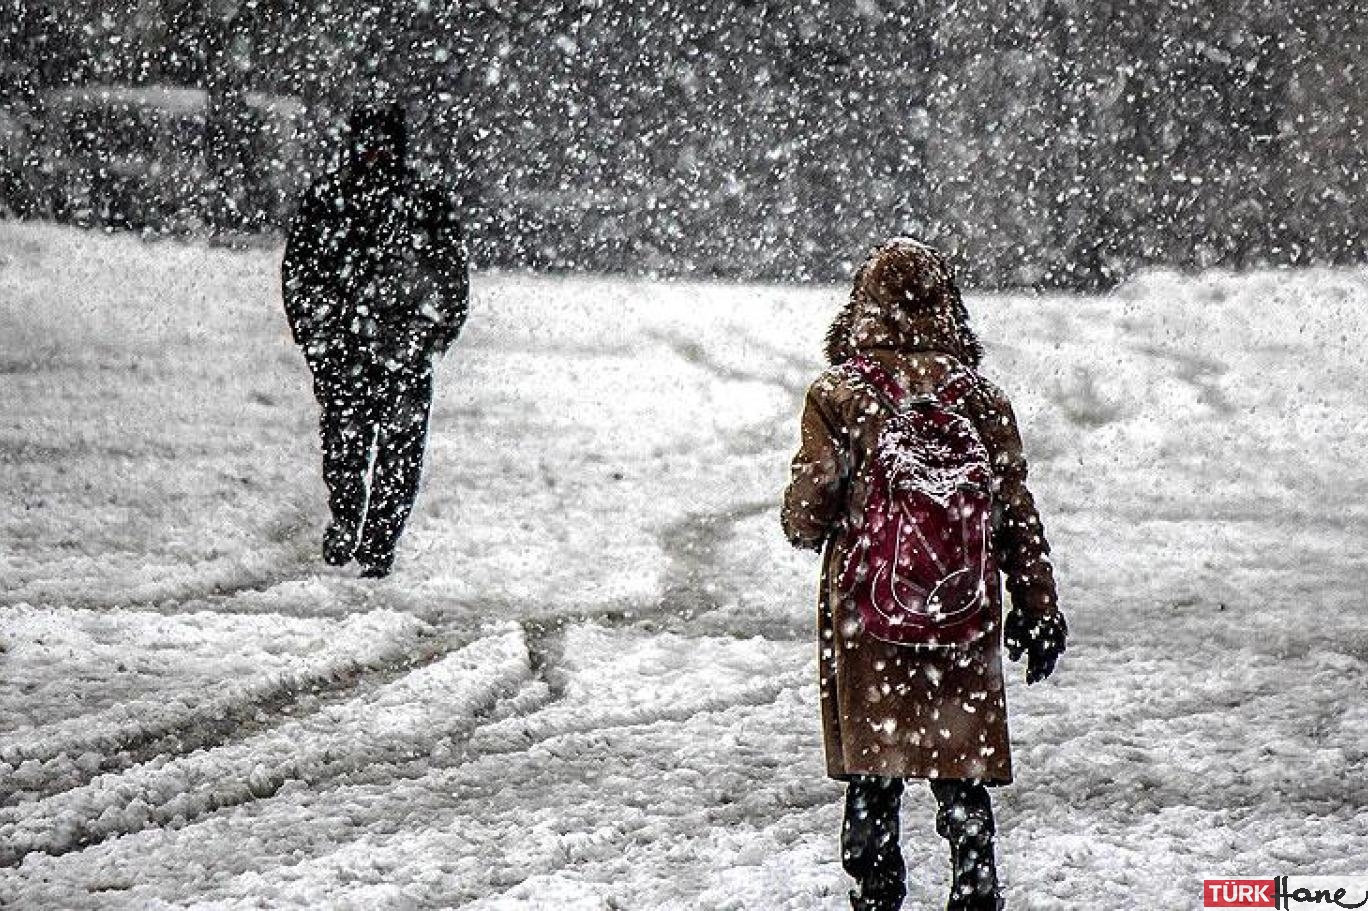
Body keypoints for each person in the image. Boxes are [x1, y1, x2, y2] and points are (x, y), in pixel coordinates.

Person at [781, 238, 1067, 911]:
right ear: (949, 307)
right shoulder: (980, 399)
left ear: (861, 308)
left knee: (873, 766)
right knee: (956, 760)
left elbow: (808, 512)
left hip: (867, 609)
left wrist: (809, 514)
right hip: (960, 611)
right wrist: (1038, 604)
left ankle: (876, 887)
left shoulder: (838, 394)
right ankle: (974, 881)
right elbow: (1014, 511)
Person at [282, 100, 469, 578]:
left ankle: (378, 542)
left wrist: (431, 332)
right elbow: (299, 273)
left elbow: (450, 276)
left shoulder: (423, 204)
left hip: (401, 349)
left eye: (384, 143)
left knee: (399, 453)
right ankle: (347, 519)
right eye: (369, 143)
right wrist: (316, 333)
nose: (376, 153)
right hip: (345, 348)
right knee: (345, 443)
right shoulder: (329, 201)